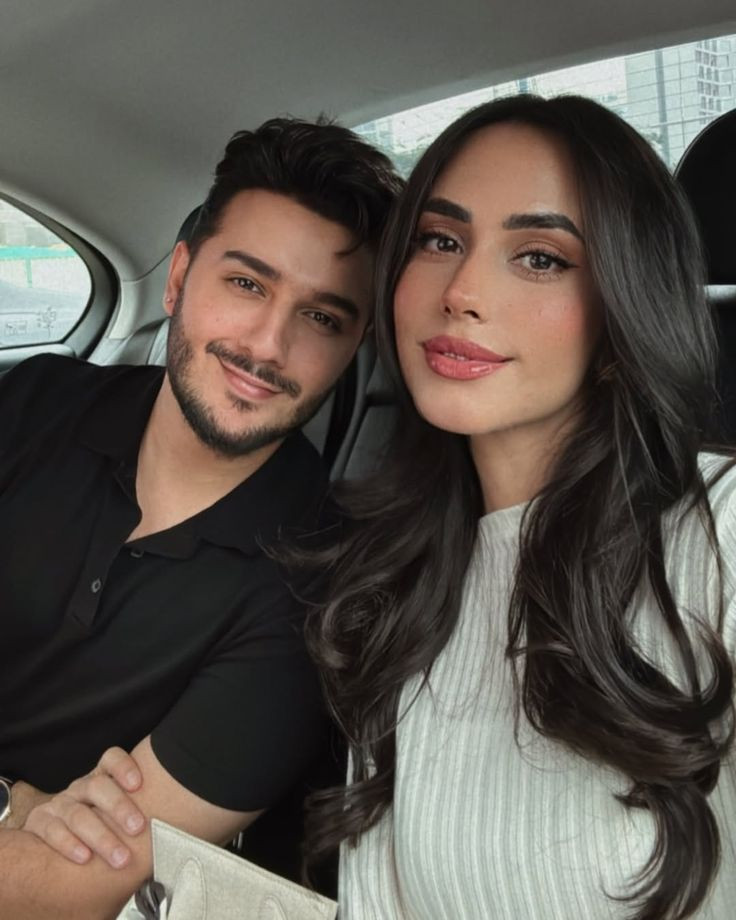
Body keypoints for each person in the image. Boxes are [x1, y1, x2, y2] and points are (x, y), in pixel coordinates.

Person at [303, 95, 734, 918]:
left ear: (624, 310)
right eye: (440, 240)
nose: (461, 291)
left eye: (540, 257)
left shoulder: (721, 534)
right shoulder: (394, 579)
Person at [0, 117, 402, 919]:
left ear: (356, 341)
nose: (268, 345)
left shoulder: (319, 590)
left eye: (322, 318)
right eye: (247, 284)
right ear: (179, 277)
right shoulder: (35, 400)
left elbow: (68, 890)